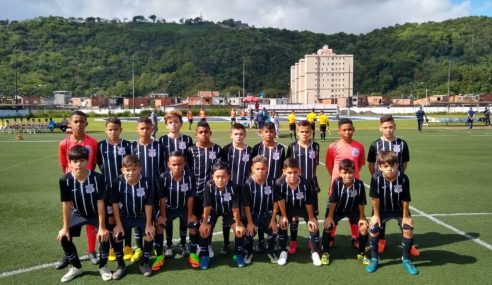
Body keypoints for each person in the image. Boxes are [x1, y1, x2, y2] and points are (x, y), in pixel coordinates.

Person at [366, 114, 419, 256]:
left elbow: (405, 163)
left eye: (390, 127)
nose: (388, 130)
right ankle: (381, 241)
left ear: (395, 126)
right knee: (378, 215)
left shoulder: (402, 144)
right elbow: (371, 164)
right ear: (380, 128)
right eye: (385, 127)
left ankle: (409, 244)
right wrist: (376, 178)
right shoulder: (375, 144)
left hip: (398, 184)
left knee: (404, 213)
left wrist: (397, 176)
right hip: (380, 185)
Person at [56, 145, 110, 282]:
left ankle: (103, 266)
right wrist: (65, 227)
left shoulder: (98, 178)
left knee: (104, 234)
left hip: (95, 213)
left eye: (82, 160)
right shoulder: (65, 180)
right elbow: (66, 204)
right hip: (79, 213)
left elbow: (100, 202)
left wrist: (102, 226)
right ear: (69, 162)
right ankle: (76, 267)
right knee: (64, 237)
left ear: (88, 161)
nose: (78, 164)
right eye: (75, 161)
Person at [56, 111, 99, 270]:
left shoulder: (93, 143)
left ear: (86, 123)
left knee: (90, 218)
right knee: (69, 218)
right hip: (72, 187)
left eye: (82, 121)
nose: (79, 124)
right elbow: (63, 165)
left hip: (88, 187)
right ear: (70, 123)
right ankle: (68, 254)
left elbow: (93, 164)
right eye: (76, 121)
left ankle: (91, 251)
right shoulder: (63, 144)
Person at [366, 151, 418, 275]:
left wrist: (405, 216)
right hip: (381, 209)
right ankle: (374, 259)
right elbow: (375, 199)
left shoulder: (403, 178)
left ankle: (406, 260)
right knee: (373, 229)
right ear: (380, 166)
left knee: (408, 229)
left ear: (397, 165)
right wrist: (376, 215)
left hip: (399, 209)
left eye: (393, 165)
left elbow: (405, 199)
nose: (390, 169)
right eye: (386, 166)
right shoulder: (376, 179)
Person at [110, 154, 158, 278]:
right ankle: (121, 265)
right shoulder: (117, 182)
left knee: (150, 233)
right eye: (128, 170)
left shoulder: (146, 182)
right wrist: (118, 225)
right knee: (116, 235)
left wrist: (148, 224)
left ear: (139, 169)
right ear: (122, 170)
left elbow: (148, 204)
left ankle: (144, 262)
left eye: (134, 169)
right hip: (124, 216)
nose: (131, 172)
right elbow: (115, 204)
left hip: (141, 215)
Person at [325, 118, 365, 248]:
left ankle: (355, 238)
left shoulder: (359, 146)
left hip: (353, 187)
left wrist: (351, 178)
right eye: (344, 130)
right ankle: (330, 237)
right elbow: (329, 166)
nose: (348, 132)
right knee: (333, 214)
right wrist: (336, 179)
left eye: (350, 129)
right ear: (339, 131)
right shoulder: (333, 146)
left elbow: (359, 165)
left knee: (354, 215)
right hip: (337, 188)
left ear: (353, 129)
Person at [97, 117, 133, 262]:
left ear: (120, 130)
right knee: (111, 218)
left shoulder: (128, 145)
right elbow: (100, 164)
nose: (113, 132)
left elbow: (131, 164)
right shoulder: (100, 146)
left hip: (125, 187)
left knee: (126, 215)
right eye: (110, 129)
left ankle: (128, 246)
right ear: (106, 130)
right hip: (109, 189)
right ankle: (114, 246)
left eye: (116, 129)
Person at [198, 161, 246, 269]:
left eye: (223, 176)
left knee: (239, 231)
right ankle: (204, 256)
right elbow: (207, 206)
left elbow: (235, 208)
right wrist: (204, 223)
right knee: (204, 230)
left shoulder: (234, 187)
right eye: (217, 176)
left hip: (229, 211)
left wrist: (238, 224)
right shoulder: (208, 186)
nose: (220, 180)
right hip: (213, 211)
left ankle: (237, 254)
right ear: (212, 177)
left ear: (228, 176)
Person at [152, 151, 195, 271]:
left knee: (193, 224)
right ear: (168, 165)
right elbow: (162, 198)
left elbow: (191, 197)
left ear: (185, 163)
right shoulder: (163, 177)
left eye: (180, 164)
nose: (177, 167)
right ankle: (161, 254)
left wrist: (190, 215)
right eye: (174, 164)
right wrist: (163, 216)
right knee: (160, 225)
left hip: (183, 207)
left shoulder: (190, 176)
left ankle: (192, 254)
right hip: (169, 208)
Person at [321, 159, 369, 266]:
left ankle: (361, 253)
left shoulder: (359, 184)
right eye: (345, 173)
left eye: (350, 172)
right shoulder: (337, 183)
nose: (348, 175)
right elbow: (333, 202)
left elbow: (361, 203)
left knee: (364, 228)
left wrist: (362, 217)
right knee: (328, 226)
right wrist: (329, 217)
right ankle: (325, 252)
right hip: (337, 210)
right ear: (340, 173)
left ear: (354, 172)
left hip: (353, 210)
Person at [186, 121, 222, 262]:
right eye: (200, 132)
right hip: (195, 194)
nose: (203, 134)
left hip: (212, 194)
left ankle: (207, 244)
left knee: (209, 221)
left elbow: (220, 171)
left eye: (206, 132)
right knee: (194, 222)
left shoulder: (217, 150)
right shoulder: (190, 150)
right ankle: (194, 247)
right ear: (196, 134)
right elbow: (187, 171)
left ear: (210, 133)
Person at [275, 158, 321, 266]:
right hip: (289, 208)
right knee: (283, 224)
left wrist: (310, 218)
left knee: (313, 224)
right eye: (289, 172)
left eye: (295, 172)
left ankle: (315, 252)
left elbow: (309, 202)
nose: (292, 175)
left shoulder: (306, 183)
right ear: (284, 171)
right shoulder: (279, 183)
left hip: (303, 207)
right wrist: (283, 216)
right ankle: (283, 251)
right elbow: (280, 200)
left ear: (299, 171)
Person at [130, 117, 164, 263]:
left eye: (148, 128)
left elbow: (163, 168)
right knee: (139, 220)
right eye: (142, 128)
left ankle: (158, 247)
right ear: (137, 129)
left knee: (156, 219)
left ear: (152, 129)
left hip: (155, 190)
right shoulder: (131, 147)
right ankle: (139, 248)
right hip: (137, 191)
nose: (145, 131)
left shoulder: (158, 146)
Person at [286, 120, 320, 255]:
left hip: (311, 187)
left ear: (311, 132)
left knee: (313, 215)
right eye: (302, 132)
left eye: (307, 131)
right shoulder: (292, 147)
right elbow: (288, 166)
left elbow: (315, 165)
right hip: (294, 187)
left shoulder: (316, 146)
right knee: (293, 216)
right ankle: (293, 241)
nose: (305, 134)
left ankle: (313, 240)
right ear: (297, 132)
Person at [220, 123, 253, 254]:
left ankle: (241, 241)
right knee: (227, 216)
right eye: (236, 134)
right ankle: (226, 243)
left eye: (241, 134)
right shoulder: (226, 150)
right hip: (229, 189)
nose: (239, 136)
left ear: (245, 135)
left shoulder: (250, 151)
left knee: (243, 215)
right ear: (231, 135)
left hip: (245, 189)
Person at [252, 122, 285, 252]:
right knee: (261, 211)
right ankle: (260, 241)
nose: (269, 134)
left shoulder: (281, 148)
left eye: (271, 132)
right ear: (261, 133)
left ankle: (275, 238)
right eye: (266, 131)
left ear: (275, 133)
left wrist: (280, 182)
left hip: (276, 185)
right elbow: (253, 166)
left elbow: (283, 167)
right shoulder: (257, 148)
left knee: (276, 211)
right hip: (260, 185)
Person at [242, 155, 278, 264]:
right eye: (257, 169)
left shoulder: (272, 182)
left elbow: (276, 202)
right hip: (253, 214)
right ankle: (249, 251)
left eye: (263, 169)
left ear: (267, 168)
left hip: (268, 213)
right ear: (252, 169)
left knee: (275, 231)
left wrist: (273, 220)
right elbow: (246, 205)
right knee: (248, 233)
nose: (260, 171)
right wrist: (249, 223)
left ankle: (270, 251)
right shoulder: (248, 183)